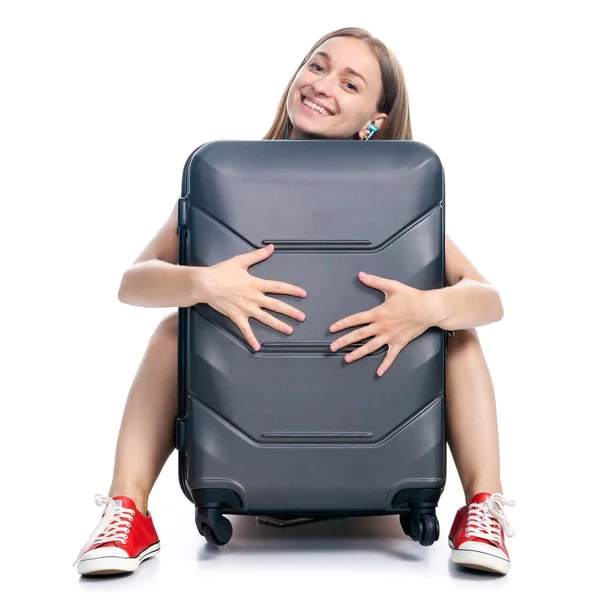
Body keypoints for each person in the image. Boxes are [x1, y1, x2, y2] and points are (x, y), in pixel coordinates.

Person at [73, 26, 515, 577]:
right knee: (172, 329)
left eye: (350, 83)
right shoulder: (228, 181)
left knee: (459, 336)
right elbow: (133, 282)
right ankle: (128, 511)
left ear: (374, 122)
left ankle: (482, 510)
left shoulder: (394, 199)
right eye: (317, 66)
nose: (323, 84)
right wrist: (204, 284)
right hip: (255, 427)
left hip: (367, 429)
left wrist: (423, 309)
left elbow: (488, 300)